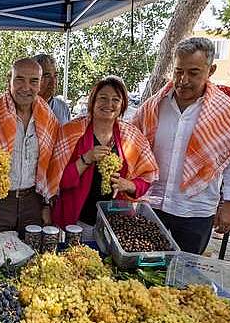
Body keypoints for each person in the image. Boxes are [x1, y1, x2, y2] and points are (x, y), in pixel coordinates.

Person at [131, 37, 230, 254]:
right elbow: (132, 142)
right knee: (146, 271)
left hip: (196, 211)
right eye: (178, 71)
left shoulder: (225, 111)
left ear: (211, 70)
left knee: (185, 277)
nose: (183, 80)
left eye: (193, 73)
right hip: (154, 205)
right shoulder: (155, 105)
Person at [0, 58, 65, 239]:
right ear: (9, 80)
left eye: (33, 81)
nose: (26, 87)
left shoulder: (48, 118)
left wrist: (46, 205)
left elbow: (51, 167)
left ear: (40, 84)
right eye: (19, 79)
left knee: (32, 261)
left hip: (33, 203)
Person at [51, 76, 159, 238]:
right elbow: (59, 181)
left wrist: (128, 185)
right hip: (76, 223)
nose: (109, 104)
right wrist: (86, 159)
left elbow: (146, 178)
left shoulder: (132, 136)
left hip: (114, 225)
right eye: (103, 98)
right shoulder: (71, 132)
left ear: (122, 105)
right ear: (93, 101)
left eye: (116, 99)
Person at [32, 54, 70, 124]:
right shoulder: (21, 108)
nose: (53, 81)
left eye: (55, 75)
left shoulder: (63, 108)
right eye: (47, 76)